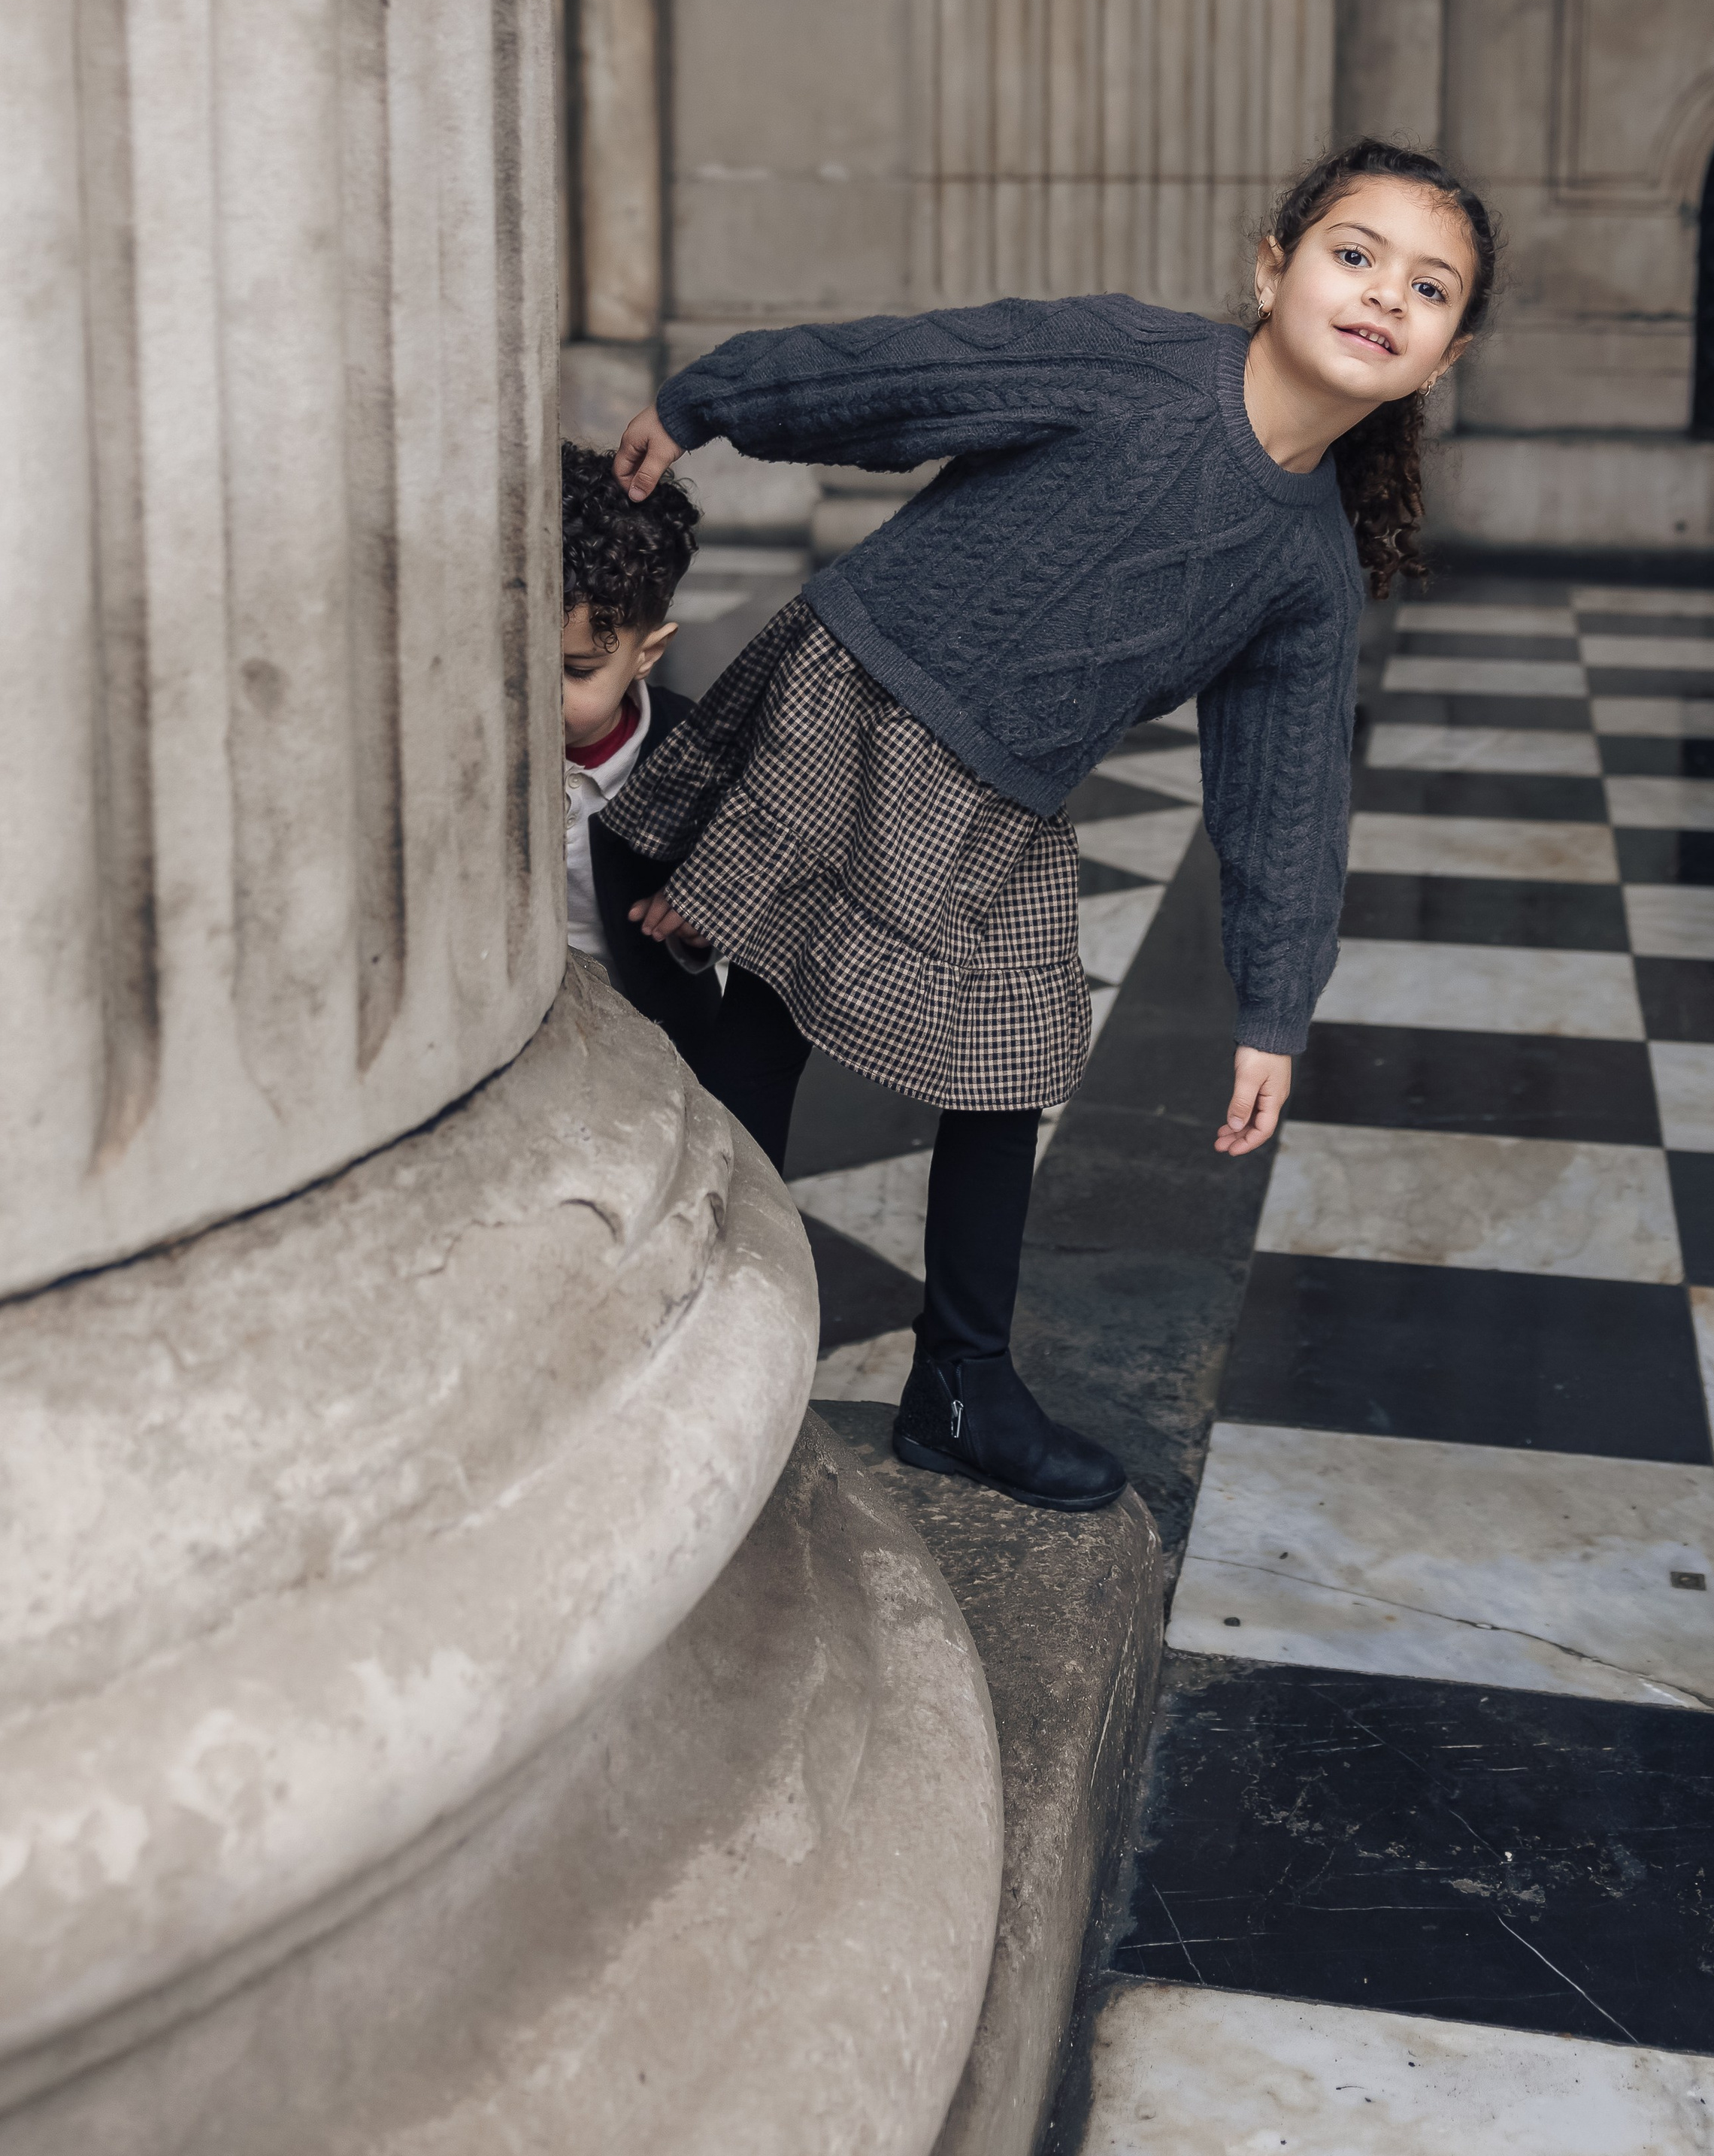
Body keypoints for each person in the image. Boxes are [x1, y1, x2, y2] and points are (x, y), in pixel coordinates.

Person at [601, 140, 1500, 1512]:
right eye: (1355, 253)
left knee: (1013, 1057)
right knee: (766, 1009)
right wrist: (721, 395)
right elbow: (918, 373)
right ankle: (699, 1330)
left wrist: (1275, 1002)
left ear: (1441, 359)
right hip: (868, 690)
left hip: (1003, 787)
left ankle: (960, 1381)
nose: (1384, 295)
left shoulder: (1311, 568)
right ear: (1274, 266)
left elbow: (1288, 784)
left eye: (1428, 289)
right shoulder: (1139, 363)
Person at [559, 440, 720, 1065]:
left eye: (576, 671)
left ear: (646, 654)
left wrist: (703, 921)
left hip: (654, 1037)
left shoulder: (690, 751)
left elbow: (738, 879)